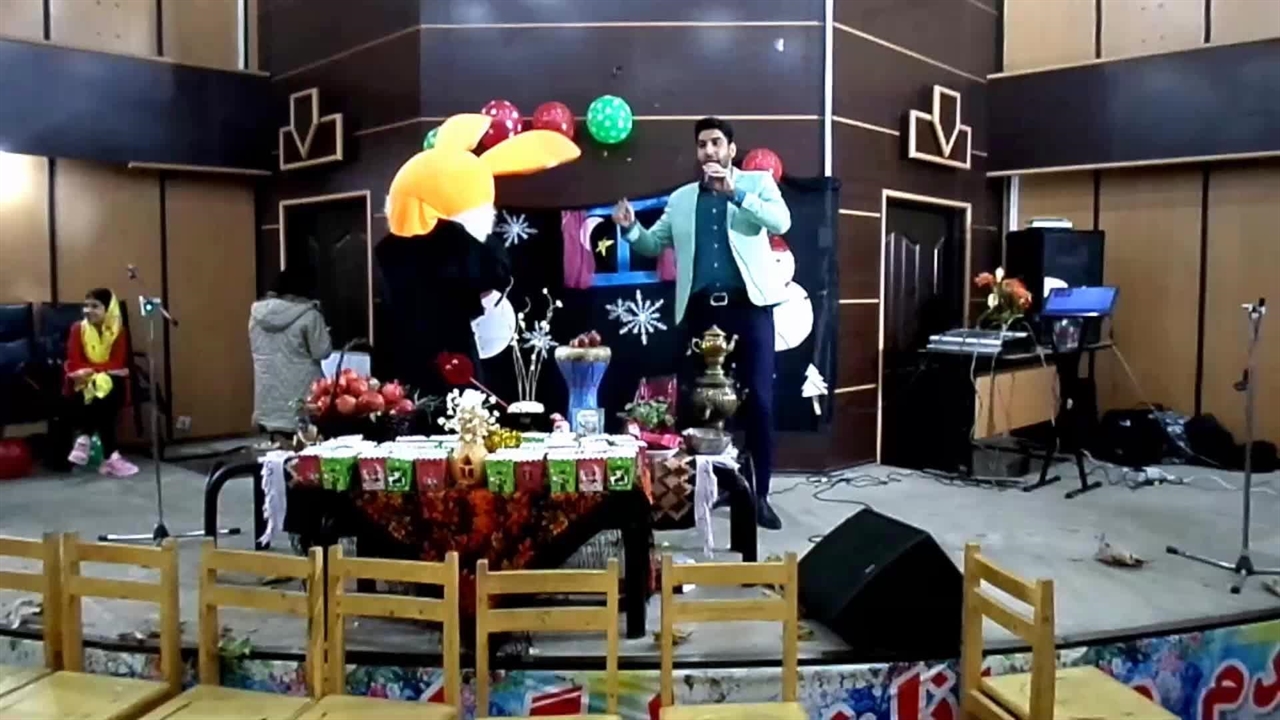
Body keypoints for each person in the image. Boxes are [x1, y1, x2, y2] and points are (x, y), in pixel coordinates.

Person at [613, 117, 792, 530]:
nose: (709, 151)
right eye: (702, 145)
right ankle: (701, 490)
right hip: (701, 312)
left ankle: (759, 495)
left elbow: (781, 223)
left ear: (731, 149)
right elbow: (654, 243)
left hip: (749, 308)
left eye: (716, 143)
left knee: (759, 400)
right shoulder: (681, 199)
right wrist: (630, 228)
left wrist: (736, 195)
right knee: (695, 403)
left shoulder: (757, 183)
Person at [249, 264, 332, 435]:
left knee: (275, 449)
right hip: (302, 399)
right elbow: (322, 352)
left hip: (267, 403)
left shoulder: (256, 316)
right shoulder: (310, 316)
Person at [64, 288, 139, 477]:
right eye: (86, 306)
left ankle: (84, 437)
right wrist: (98, 371)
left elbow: (117, 362)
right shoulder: (77, 329)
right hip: (81, 383)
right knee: (107, 388)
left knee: (107, 386)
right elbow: (74, 363)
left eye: (95, 306)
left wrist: (94, 371)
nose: (88, 311)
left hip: (105, 384)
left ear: (108, 309)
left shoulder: (118, 331)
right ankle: (110, 457)